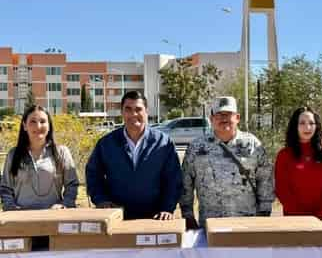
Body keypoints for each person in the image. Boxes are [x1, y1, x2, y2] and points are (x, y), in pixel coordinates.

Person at [86, 91, 182, 220]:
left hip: (155, 217)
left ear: (146, 111)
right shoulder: (107, 143)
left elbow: (173, 178)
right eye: (128, 109)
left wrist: (167, 207)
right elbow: (93, 174)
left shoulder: (163, 142)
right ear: (122, 112)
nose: (133, 114)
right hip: (117, 216)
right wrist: (101, 200)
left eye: (138, 109)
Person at [180, 96, 274, 229]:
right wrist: (187, 214)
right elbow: (186, 183)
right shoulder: (197, 147)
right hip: (210, 224)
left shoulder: (253, 145)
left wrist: (264, 212)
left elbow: (265, 180)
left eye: (228, 114)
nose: (224, 118)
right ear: (211, 119)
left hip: (247, 224)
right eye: (219, 114)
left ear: (237, 118)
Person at [0, 105, 79, 210]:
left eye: (42, 121)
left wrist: (64, 204)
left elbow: (72, 184)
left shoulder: (62, 152)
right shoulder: (13, 154)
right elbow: (6, 188)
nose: (38, 126)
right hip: (20, 219)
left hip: (53, 217)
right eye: (33, 121)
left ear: (49, 125)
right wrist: (11, 208)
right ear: (24, 126)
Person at [274, 107, 322, 217]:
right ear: (295, 126)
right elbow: (282, 189)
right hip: (294, 219)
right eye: (302, 123)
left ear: (316, 126)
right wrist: (301, 216)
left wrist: (321, 213)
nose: (307, 127)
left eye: (311, 123)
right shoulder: (284, 155)